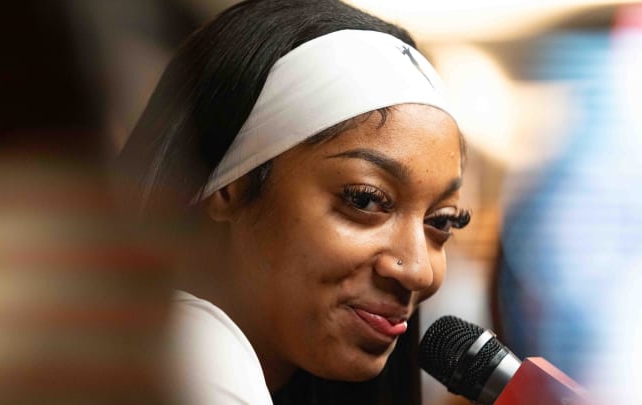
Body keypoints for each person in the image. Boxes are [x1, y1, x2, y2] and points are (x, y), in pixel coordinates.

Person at [117, 0, 471, 403]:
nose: (419, 272)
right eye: (367, 200)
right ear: (227, 185)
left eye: (441, 221)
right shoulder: (188, 359)